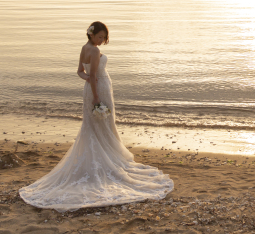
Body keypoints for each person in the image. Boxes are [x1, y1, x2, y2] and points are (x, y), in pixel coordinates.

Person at [19, 21, 173, 211]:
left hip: (91, 90)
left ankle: (101, 158)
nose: (102, 40)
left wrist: (91, 86)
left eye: (104, 37)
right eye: (99, 37)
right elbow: (90, 75)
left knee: (94, 126)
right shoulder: (92, 51)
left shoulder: (85, 48)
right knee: (103, 125)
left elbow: (79, 72)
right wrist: (97, 95)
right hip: (98, 90)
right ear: (91, 34)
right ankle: (106, 161)